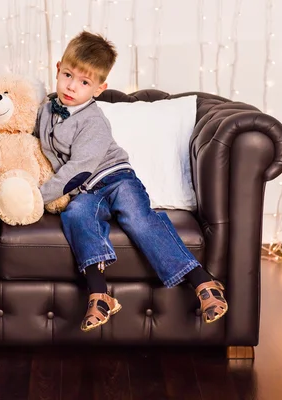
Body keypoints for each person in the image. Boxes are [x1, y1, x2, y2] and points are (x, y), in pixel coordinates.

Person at [33, 31, 228, 332]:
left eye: (84, 82)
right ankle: (100, 295)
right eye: (68, 75)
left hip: (115, 178)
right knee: (77, 215)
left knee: (138, 218)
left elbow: (80, 168)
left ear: (99, 88)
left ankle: (202, 281)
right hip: (86, 191)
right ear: (57, 69)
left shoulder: (93, 120)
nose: (72, 86)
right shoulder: (45, 111)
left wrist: (37, 196)